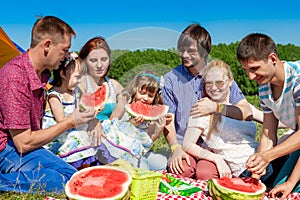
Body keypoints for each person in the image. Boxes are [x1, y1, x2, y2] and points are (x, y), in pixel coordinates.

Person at [0, 16, 95, 193]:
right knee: (67, 181)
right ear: (47, 45)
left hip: (22, 144)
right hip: (6, 147)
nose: (67, 55)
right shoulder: (15, 76)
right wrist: (69, 122)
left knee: (72, 177)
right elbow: (23, 143)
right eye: (65, 50)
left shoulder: (43, 75)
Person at [161, 23, 253, 175]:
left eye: (191, 51)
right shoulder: (171, 79)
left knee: (206, 174)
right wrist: (174, 148)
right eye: (181, 50)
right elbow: (168, 121)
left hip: (216, 146)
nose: (184, 55)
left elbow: (245, 111)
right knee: (182, 169)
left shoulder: (219, 73)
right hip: (184, 144)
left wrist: (217, 108)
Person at [236, 33, 300, 196]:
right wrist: (256, 175)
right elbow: (268, 133)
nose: (250, 77)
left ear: (272, 58)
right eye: (247, 70)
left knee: (285, 187)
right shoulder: (264, 88)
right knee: (263, 179)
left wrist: (291, 182)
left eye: (254, 68)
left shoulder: (297, 79)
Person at [181, 59, 259, 179]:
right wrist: (217, 159)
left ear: (230, 82)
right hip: (245, 169)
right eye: (209, 83)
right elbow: (187, 144)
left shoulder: (241, 108)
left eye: (219, 83)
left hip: (262, 157)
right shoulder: (202, 109)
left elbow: (276, 122)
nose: (213, 88)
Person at [42, 52, 112, 170]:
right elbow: (62, 121)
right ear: (63, 74)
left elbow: (83, 110)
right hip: (60, 135)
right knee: (79, 137)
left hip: (74, 127)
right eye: (77, 77)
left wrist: (94, 112)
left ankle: (91, 166)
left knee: (100, 130)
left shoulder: (76, 92)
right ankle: (78, 168)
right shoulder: (54, 96)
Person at [101, 71, 171, 170]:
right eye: (142, 93)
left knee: (163, 163)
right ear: (135, 89)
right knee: (144, 167)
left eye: (150, 96)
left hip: (138, 151)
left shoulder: (151, 112)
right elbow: (111, 127)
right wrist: (130, 124)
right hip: (117, 150)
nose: (145, 98)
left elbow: (148, 140)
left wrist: (160, 127)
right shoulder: (124, 102)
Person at [77, 36, 126, 165]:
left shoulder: (113, 85)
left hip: (108, 138)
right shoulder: (82, 81)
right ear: (85, 62)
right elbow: (77, 103)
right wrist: (93, 120)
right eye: (93, 60)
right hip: (86, 138)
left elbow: (125, 97)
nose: (99, 65)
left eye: (104, 59)